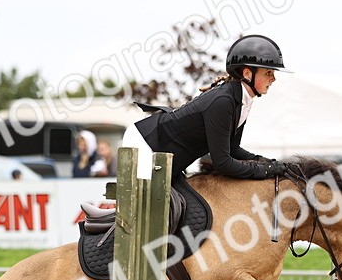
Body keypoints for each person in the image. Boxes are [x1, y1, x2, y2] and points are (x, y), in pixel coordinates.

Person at [125, 34, 291, 181]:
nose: (273, 79)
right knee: (149, 207)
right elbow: (223, 163)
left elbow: (232, 149)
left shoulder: (242, 100)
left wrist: (264, 161)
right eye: (269, 73)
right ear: (247, 74)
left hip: (165, 153)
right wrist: (265, 171)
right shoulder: (223, 102)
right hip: (146, 143)